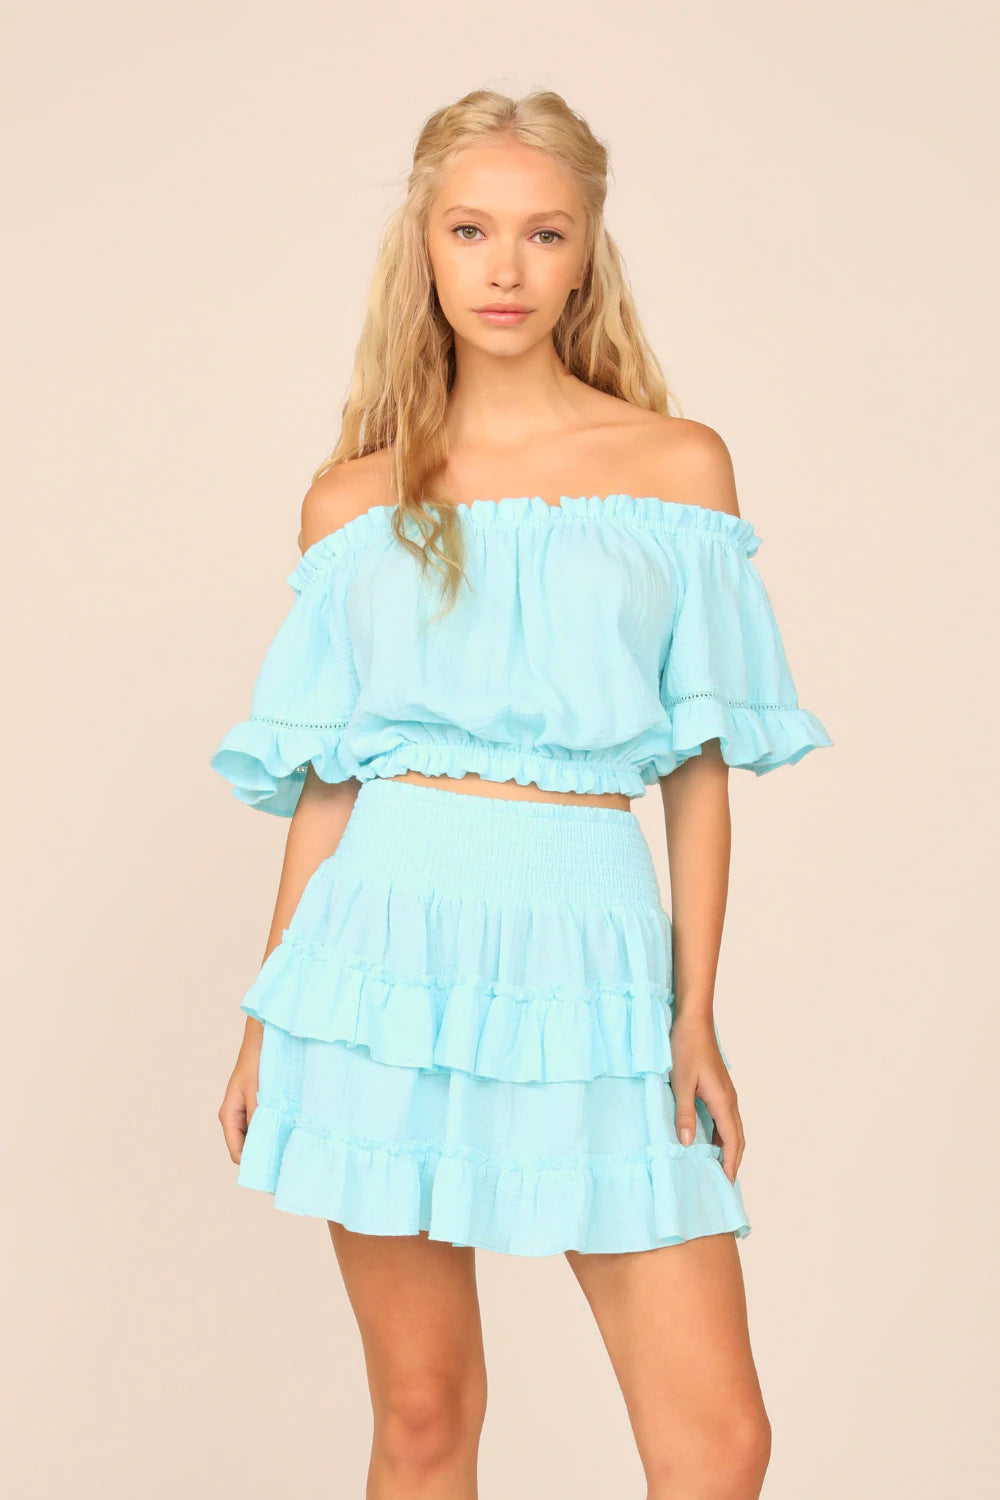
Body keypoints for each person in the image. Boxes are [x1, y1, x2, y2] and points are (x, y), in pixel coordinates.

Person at [212, 88, 832, 1500]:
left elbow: (698, 772)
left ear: (586, 253)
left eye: (544, 233)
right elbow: (328, 786)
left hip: (593, 949)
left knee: (719, 1442)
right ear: (423, 247)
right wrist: (265, 1015)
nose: (506, 268)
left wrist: (693, 1011)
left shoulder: (675, 469)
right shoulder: (354, 499)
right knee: (425, 1417)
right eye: (472, 230)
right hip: (381, 958)